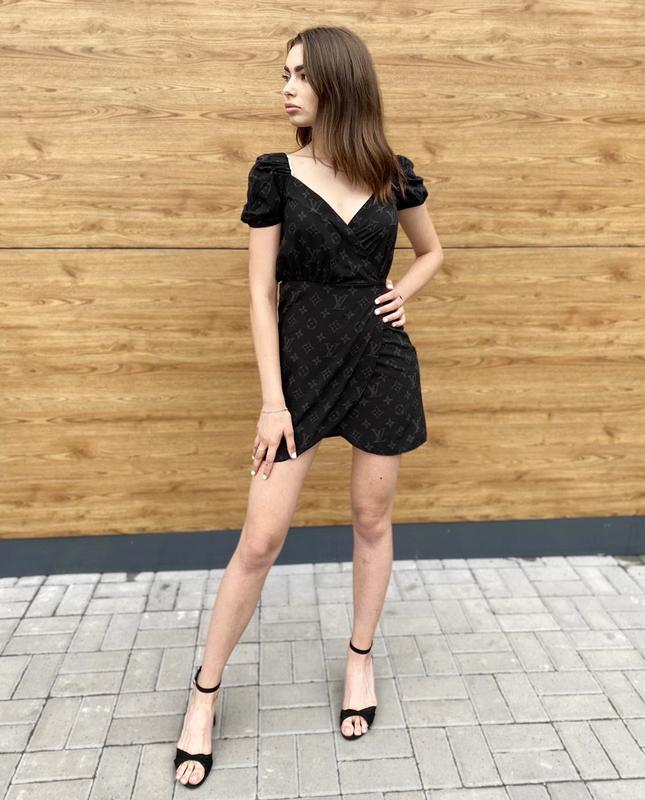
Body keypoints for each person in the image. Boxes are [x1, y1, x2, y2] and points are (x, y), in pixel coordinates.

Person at [174, 25, 444, 788]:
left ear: (338, 82)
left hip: (380, 362)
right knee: (260, 540)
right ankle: (204, 694)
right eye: (283, 74)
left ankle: (359, 661)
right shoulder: (276, 174)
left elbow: (431, 252)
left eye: (299, 74)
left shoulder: (392, 173)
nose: (286, 87)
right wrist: (272, 402)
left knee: (371, 520)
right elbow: (260, 295)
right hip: (297, 372)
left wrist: (400, 293)